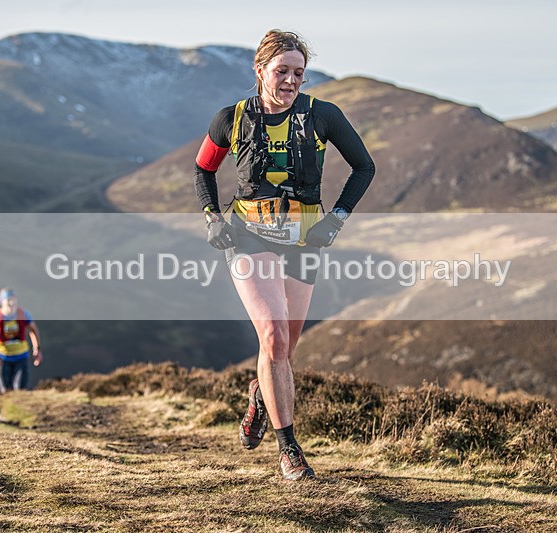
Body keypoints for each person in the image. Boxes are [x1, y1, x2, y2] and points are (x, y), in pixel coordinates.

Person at [194, 30, 375, 480]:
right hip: (247, 235)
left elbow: (364, 166)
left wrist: (336, 218)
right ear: (260, 71)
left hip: (303, 239)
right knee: (273, 336)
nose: (292, 80)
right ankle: (289, 449)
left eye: (298, 73)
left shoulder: (323, 116)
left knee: (285, 350)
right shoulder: (230, 119)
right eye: (282, 71)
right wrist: (212, 217)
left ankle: (260, 393)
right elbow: (203, 168)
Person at [0, 287, 42, 393]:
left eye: (13, 299)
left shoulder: (23, 314)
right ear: (2, 302)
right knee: (6, 390)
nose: (11, 302)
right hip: (2, 358)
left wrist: (37, 349)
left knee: (21, 389)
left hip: (21, 357)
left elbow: (33, 331)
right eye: (8, 300)